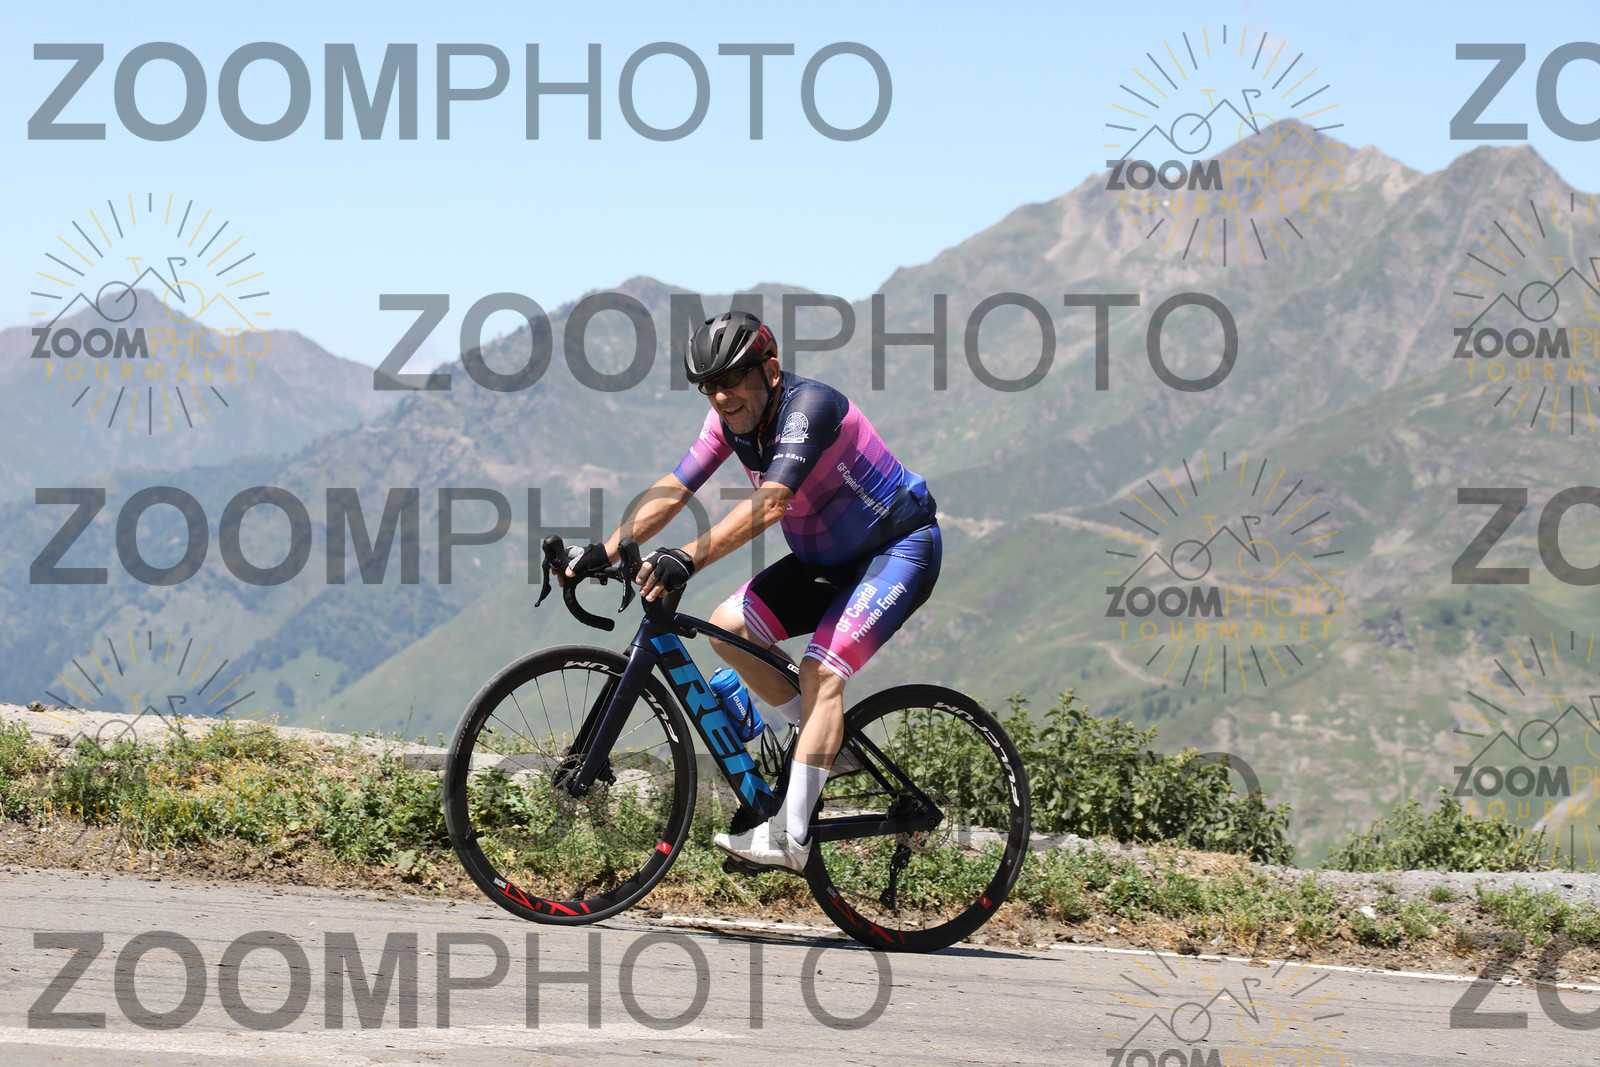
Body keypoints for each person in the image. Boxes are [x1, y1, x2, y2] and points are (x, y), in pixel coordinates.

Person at [562, 311, 940, 873]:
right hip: (823, 563)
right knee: (729, 628)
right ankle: (828, 748)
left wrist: (687, 557)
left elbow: (773, 502)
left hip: (895, 553)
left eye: (733, 379)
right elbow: (676, 487)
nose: (721, 396)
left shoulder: (810, 409)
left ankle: (791, 838)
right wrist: (606, 551)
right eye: (709, 385)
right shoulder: (729, 420)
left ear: (771, 369)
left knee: (821, 674)